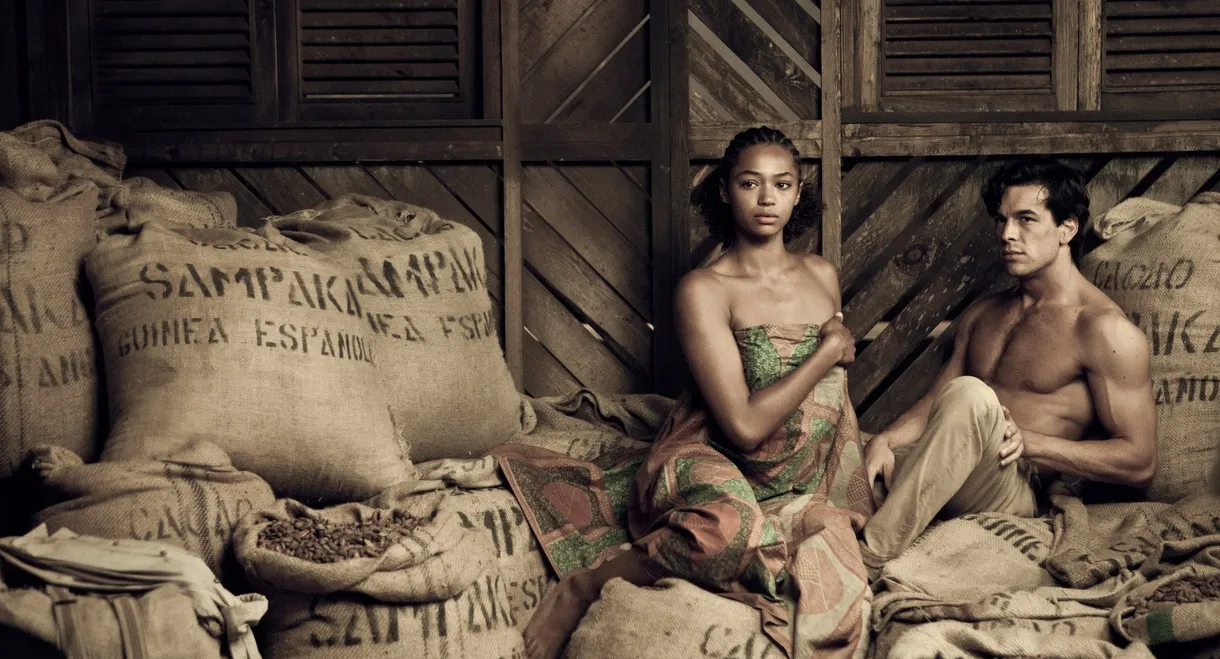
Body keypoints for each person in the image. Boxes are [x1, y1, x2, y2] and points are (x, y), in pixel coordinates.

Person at [518, 126, 874, 659]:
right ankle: (588, 584)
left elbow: (833, 398)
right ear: (726, 191)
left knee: (840, 555)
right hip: (714, 452)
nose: (767, 197)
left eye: (782, 184)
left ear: (799, 193)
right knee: (723, 534)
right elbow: (744, 428)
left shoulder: (822, 274)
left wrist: (848, 478)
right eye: (750, 183)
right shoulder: (705, 288)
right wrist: (827, 351)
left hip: (799, 471)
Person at [858, 157, 1158, 571]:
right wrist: (884, 441)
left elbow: (1140, 461)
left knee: (970, 394)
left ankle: (869, 555)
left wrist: (1034, 444)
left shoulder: (1103, 330)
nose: (1007, 234)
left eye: (1026, 219)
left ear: (1067, 228)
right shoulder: (984, 314)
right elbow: (934, 402)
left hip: (1012, 486)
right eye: (1001, 220)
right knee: (839, 441)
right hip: (945, 464)